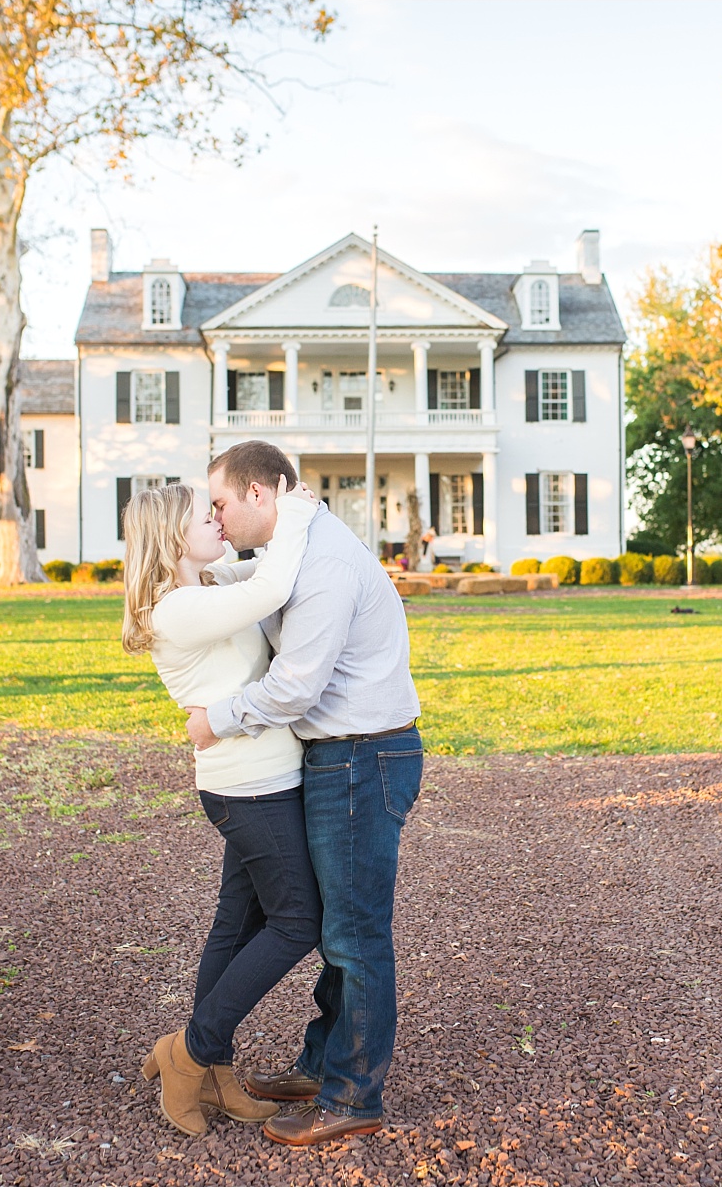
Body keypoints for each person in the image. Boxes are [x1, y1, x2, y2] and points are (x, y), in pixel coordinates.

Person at [185, 440, 423, 1147]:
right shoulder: (295, 543)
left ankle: (354, 1095)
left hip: (361, 758)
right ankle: (322, 1066)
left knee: (354, 934)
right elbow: (246, 583)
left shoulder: (320, 562)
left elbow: (295, 686)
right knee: (334, 929)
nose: (218, 518)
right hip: (338, 757)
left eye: (221, 503)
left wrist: (214, 722)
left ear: (261, 496)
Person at [119, 476, 323, 1136]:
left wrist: (273, 523)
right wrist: (294, 511)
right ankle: (190, 1052)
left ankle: (213, 1071)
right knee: (298, 922)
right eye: (203, 515)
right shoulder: (176, 608)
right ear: (170, 535)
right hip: (251, 787)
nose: (217, 519)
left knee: (234, 930)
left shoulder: (200, 589)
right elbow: (271, 587)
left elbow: (253, 566)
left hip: (251, 781)